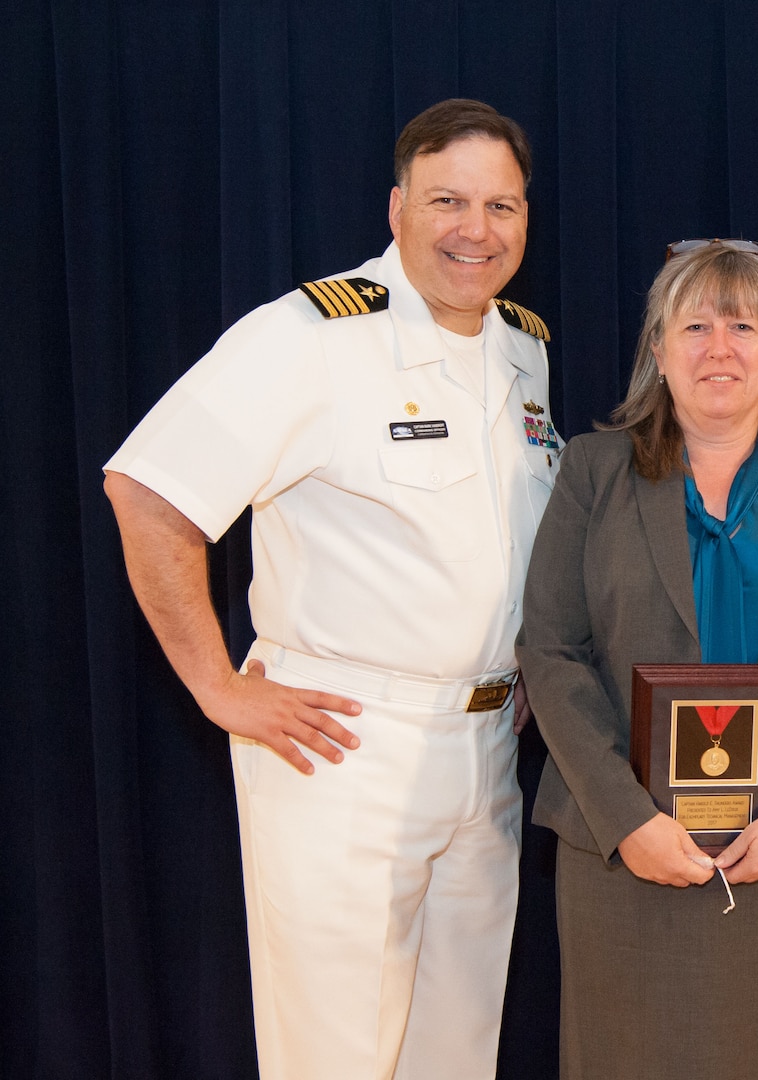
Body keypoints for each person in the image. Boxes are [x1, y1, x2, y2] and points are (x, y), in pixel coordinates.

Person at [103, 99, 558, 1080]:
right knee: (336, 1060)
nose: (476, 231)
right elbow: (147, 489)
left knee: (457, 1053)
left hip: (484, 755)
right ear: (396, 210)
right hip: (345, 747)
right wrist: (218, 687)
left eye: (502, 206)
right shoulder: (308, 336)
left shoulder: (524, 348)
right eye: (448, 201)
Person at [517, 239, 758, 1080]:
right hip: (620, 851)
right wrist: (630, 821)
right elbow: (551, 652)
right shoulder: (592, 471)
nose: (718, 348)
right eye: (693, 326)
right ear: (657, 350)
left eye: (742, 325)